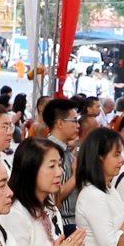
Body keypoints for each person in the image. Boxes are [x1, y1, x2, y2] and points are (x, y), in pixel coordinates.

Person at [0, 138, 86, 246]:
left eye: (60, 165)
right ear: (30, 169)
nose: (60, 172)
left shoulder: (49, 204)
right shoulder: (15, 214)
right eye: (52, 166)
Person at [43, 98, 81, 234]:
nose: (78, 125)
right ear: (60, 123)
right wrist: (76, 176)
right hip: (63, 223)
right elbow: (53, 198)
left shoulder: (66, 150)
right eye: (74, 121)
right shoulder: (48, 152)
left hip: (73, 221)